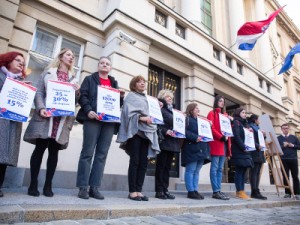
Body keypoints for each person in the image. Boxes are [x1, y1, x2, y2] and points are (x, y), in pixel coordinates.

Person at [24, 48, 80, 197]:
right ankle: (33, 184)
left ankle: (48, 185)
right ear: (61, 57)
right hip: (46, 117)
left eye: (73, 56)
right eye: (68, 54)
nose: (71, 57)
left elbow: (73, 102)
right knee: (39, 149)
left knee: (54, 152)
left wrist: (77, 92)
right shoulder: (48, 72)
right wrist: (41, 107)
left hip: (60, 121)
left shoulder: (74, 79)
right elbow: (39, 92)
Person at [76, 56, 124, 200]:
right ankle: (83, 187)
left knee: (102, 154)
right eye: (102, 63)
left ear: (110, 68)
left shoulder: (114, 83)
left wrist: (121, 98)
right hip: (93, 119)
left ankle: (94, 187)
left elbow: (116, 105)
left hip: (108, 122)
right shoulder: (90, 79)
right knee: (87, 152)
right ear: (98, 66)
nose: (104, 65)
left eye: (107, 64)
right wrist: (88, 110)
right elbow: (83, 96)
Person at [117, 75, 160, 201]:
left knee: (143, 163)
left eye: (143, 82)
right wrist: (142, 118)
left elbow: (152, 113)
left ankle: (139, 190)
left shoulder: (148, 99)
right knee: (135, 161)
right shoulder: (131, 96)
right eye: (139, 82)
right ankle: (132, 191)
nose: (142, 83)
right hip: (135, 131)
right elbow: (127, 113)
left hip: (147, 132)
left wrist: (157, 109)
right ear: (134, 84)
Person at [0, 52, 27, 197]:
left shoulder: (22, 81)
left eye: (23, 62)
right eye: (18, 60)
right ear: (8, 61)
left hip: (12, 121)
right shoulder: (1, 75)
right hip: (0, 118)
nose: (21, 63)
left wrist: (25, 91)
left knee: (5, 154)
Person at [154, 89, 180, 200]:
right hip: (163, 141)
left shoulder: (174, 111)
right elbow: (157, 125)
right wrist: (165, 131)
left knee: (167, 168)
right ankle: (159, 190)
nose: (169, 98)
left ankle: (165, 189)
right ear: (162, 98)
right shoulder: (160, 109)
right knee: (161, 167)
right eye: (167, 96)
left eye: (170, 97)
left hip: (173, 142)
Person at [181, 103, 211, 200]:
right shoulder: (187, 119)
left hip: (201, 148)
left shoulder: (201, 121)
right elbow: (183, 130)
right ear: (191, 110)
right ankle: (190, 191)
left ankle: (195, 190)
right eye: (196, 108)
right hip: (191, 148)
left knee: (197, 171)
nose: (198, 110)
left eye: (198, 108)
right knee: (190, 170)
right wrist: (195, 137)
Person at [207, 95, 231, 200]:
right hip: (216, 143)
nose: (222, 102)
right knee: (215, 168)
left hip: (224, 144)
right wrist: (220, 137)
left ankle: (219, 190)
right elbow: (211, 127)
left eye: (223, 101)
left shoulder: (225, 115)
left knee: (220, 169)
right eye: (220, 101)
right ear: (216, 102)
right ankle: (215, 191)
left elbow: (228, 129)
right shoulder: (212, 113)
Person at [231, 107, 253, 200]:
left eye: (245, 112)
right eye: (243, 112)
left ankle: (241, 191)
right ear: (238, 113)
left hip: (245, 150)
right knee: (239, 171)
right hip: (239, 150)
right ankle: (239, 191)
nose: (245, 114)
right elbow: (236, 136)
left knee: (244, 171)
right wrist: (243, 147)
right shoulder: (236, 122)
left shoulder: (245, 124)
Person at [277, 123, 300, 200]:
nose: (285, 129)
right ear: (281, 129)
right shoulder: (278, 138)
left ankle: (297, 193)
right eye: (284, 128)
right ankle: (287, 193)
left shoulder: (294, 137)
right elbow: (276, 148)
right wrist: (284, 145)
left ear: (289, 129)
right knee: (285, 176)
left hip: (293, 159)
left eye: (287, 128)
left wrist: (293, 145)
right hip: (283, 159)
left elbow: (299, 146)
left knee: (295, 176)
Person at [248, 114, 267, 200]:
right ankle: (254, 191)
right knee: (254, 172)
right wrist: (257, 145)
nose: (259, 121)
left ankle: (257, 190)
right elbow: (250, 138)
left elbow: (262, 139)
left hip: (260, 152)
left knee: (258, 172)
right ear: (255, 120)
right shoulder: (251, 127)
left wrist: (264, 135)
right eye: (258, 119)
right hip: (255, 152)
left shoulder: (258, 128)